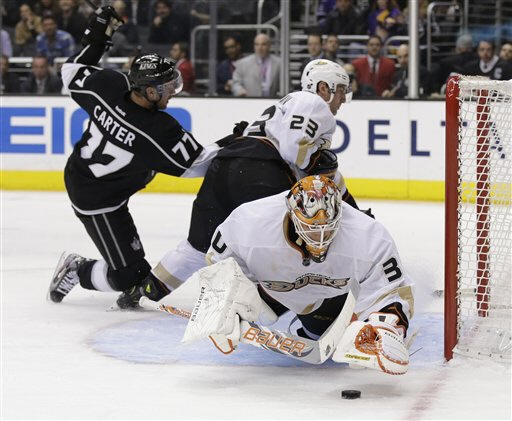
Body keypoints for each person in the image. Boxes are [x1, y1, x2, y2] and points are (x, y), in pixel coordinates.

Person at [115, 59, 368, 310]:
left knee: (196, 248)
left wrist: (351, 205)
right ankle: (276, 307)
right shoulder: (313, 103)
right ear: (323, 88)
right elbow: (294, 151)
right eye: (341, 90)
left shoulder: (287, 104)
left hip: (224, 167)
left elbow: (324, 174)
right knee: (283, 247)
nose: (343, 98)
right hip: (261, 175)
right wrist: (317, 162)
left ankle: (144, 291)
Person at [47, 6, 228, 304]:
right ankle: (78, 269)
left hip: (94, 177)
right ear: (150, 92)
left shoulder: (109, 84)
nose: (173, 91)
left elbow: (70, 72)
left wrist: (96, 40)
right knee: (130, 277)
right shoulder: (156, 129)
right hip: (97, 198)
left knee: (134, 270)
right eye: (167, 86)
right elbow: (199, 165)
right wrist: (239, 141)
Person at [186, 175, 413, 374]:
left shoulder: (370, 237)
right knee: (246, 300)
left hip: (332, 296)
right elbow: (219, 264)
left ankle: (315, 323)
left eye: (328, 227)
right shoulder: (248, 222)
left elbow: (393, 291)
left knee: (333, 341)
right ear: (292, 214)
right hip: (271, 288)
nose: (320, 238)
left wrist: (386, 328)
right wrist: (221, 305)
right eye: (311, 228)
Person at [231, 33, 280, 97]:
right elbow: (235, 83)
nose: (260, 48)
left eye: (263, 44)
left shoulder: (279, 63)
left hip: (272, 101)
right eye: (257, 44)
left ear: (269, 46)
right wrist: (240, 91)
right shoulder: (243, 63)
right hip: (250, 101)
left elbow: (285, 86)